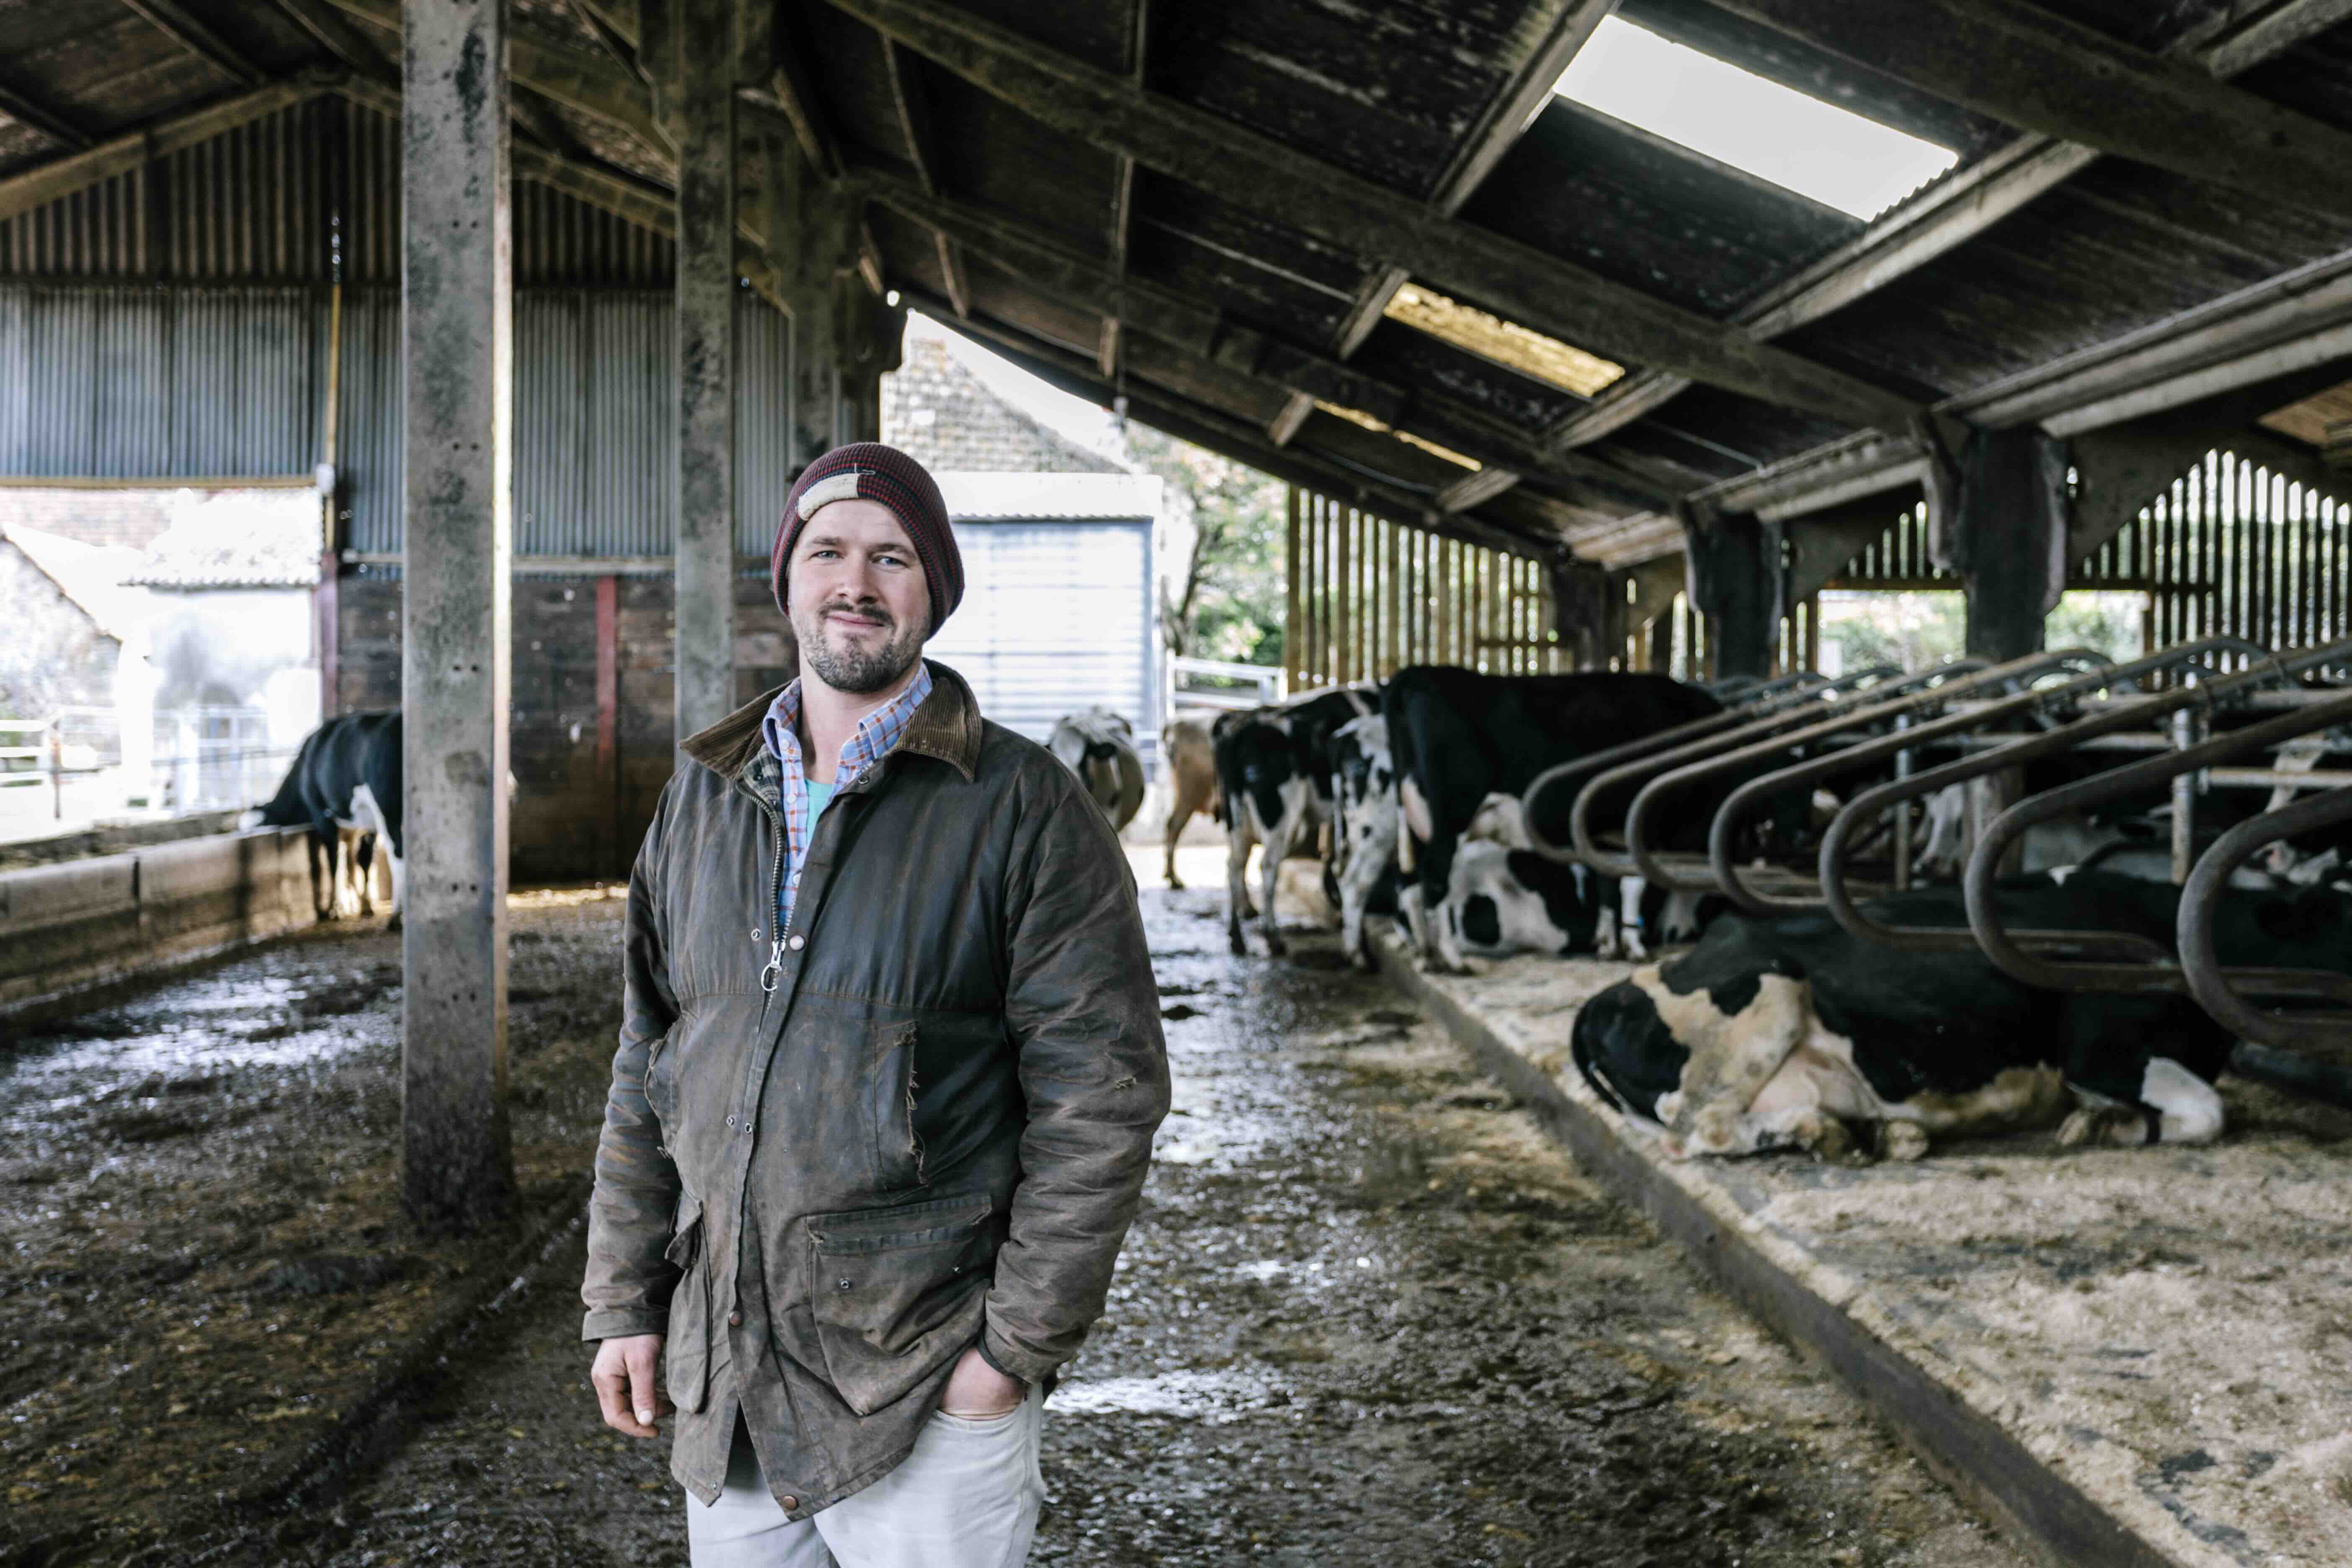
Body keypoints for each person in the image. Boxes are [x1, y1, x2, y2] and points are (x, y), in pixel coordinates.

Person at [581, 442, 1170, 1566]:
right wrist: (624, 1300)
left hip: (923, 1381)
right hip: (734, 1389)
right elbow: (647, 1068)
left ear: (933, 593)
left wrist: (1007, 1356)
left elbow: (1103, 1099)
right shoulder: (699, 804)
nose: (857, 582)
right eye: (830, 551)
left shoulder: (1021, 810)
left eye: (893, 557)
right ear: (790, 578)